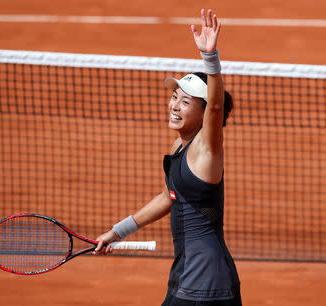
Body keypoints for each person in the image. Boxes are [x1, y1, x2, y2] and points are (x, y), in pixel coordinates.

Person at [94, 8, 241, 306]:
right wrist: (117, 231)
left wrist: (210, 57)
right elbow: (168, 197)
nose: (174, 105)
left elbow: (215, 108)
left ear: (203, 113)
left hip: (202, 282)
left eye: (186, 101)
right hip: (194, 274)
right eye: (174, 96)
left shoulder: (207, 149)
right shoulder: (179, 148)